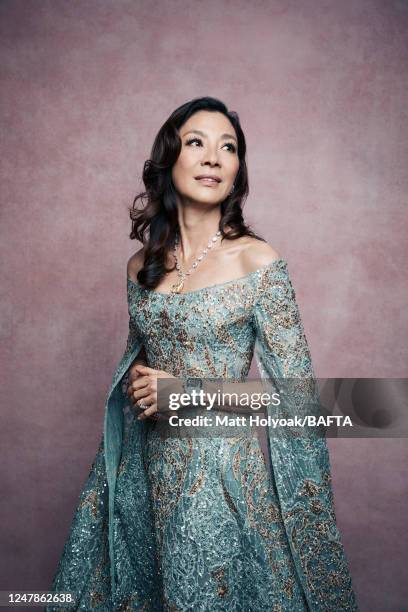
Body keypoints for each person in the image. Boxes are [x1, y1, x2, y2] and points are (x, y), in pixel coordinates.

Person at [46, 97, 359, 611]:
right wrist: (139, 386)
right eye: (197, 142)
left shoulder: (258, 261)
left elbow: (301, 404)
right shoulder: (139, 267)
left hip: (220, 483)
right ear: (169, 159)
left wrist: (184, 394)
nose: (214, 157)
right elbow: (141, 368)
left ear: (237, 171)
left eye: (228, 147)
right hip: (140, 478)